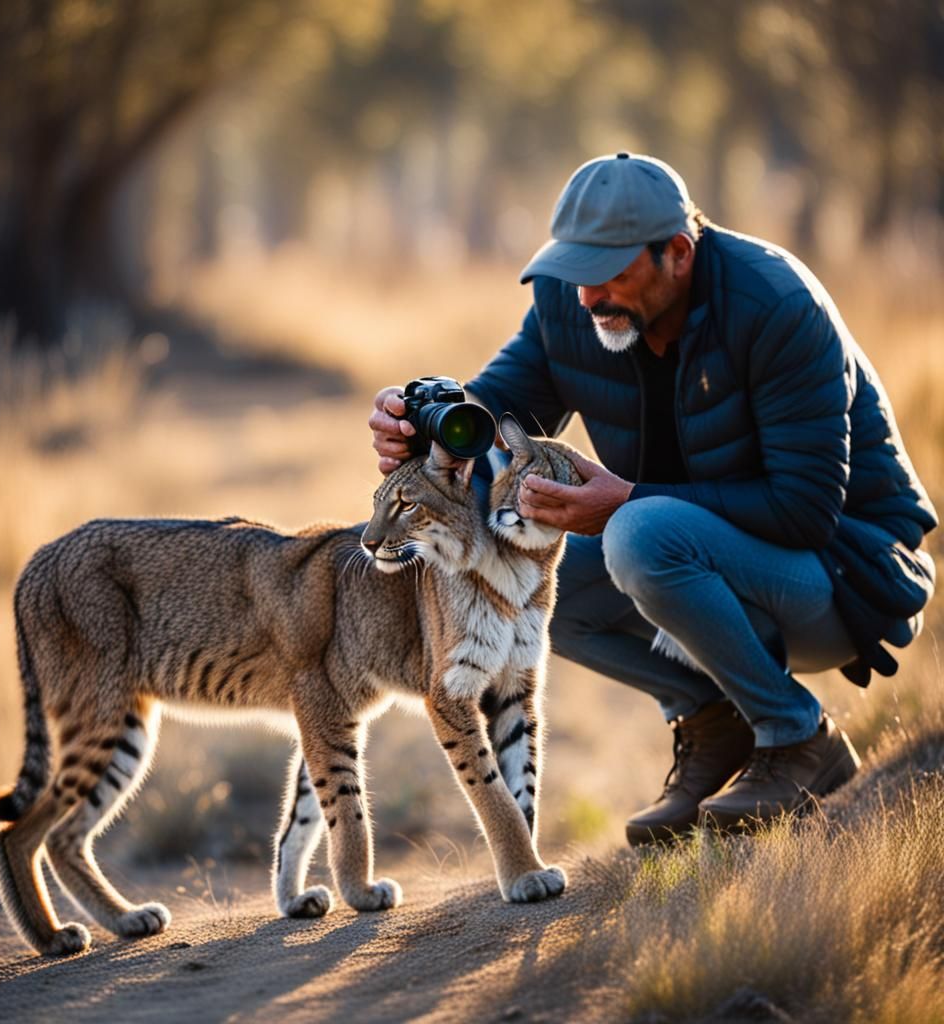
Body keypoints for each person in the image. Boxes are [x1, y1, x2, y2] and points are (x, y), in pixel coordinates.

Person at [369, 152, 937, 844]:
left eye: (608, 271)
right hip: (705, 558)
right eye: (573, 270)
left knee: (638, 536)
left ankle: (796, 737)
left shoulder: (779, 306)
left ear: (677, 252)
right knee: (513, 566)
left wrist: (622, 504)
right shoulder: (570, 303)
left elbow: (805, 510)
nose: (586, 297)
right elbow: (492, 419)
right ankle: (711, 719)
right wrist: (424, 437)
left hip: (847, 575)